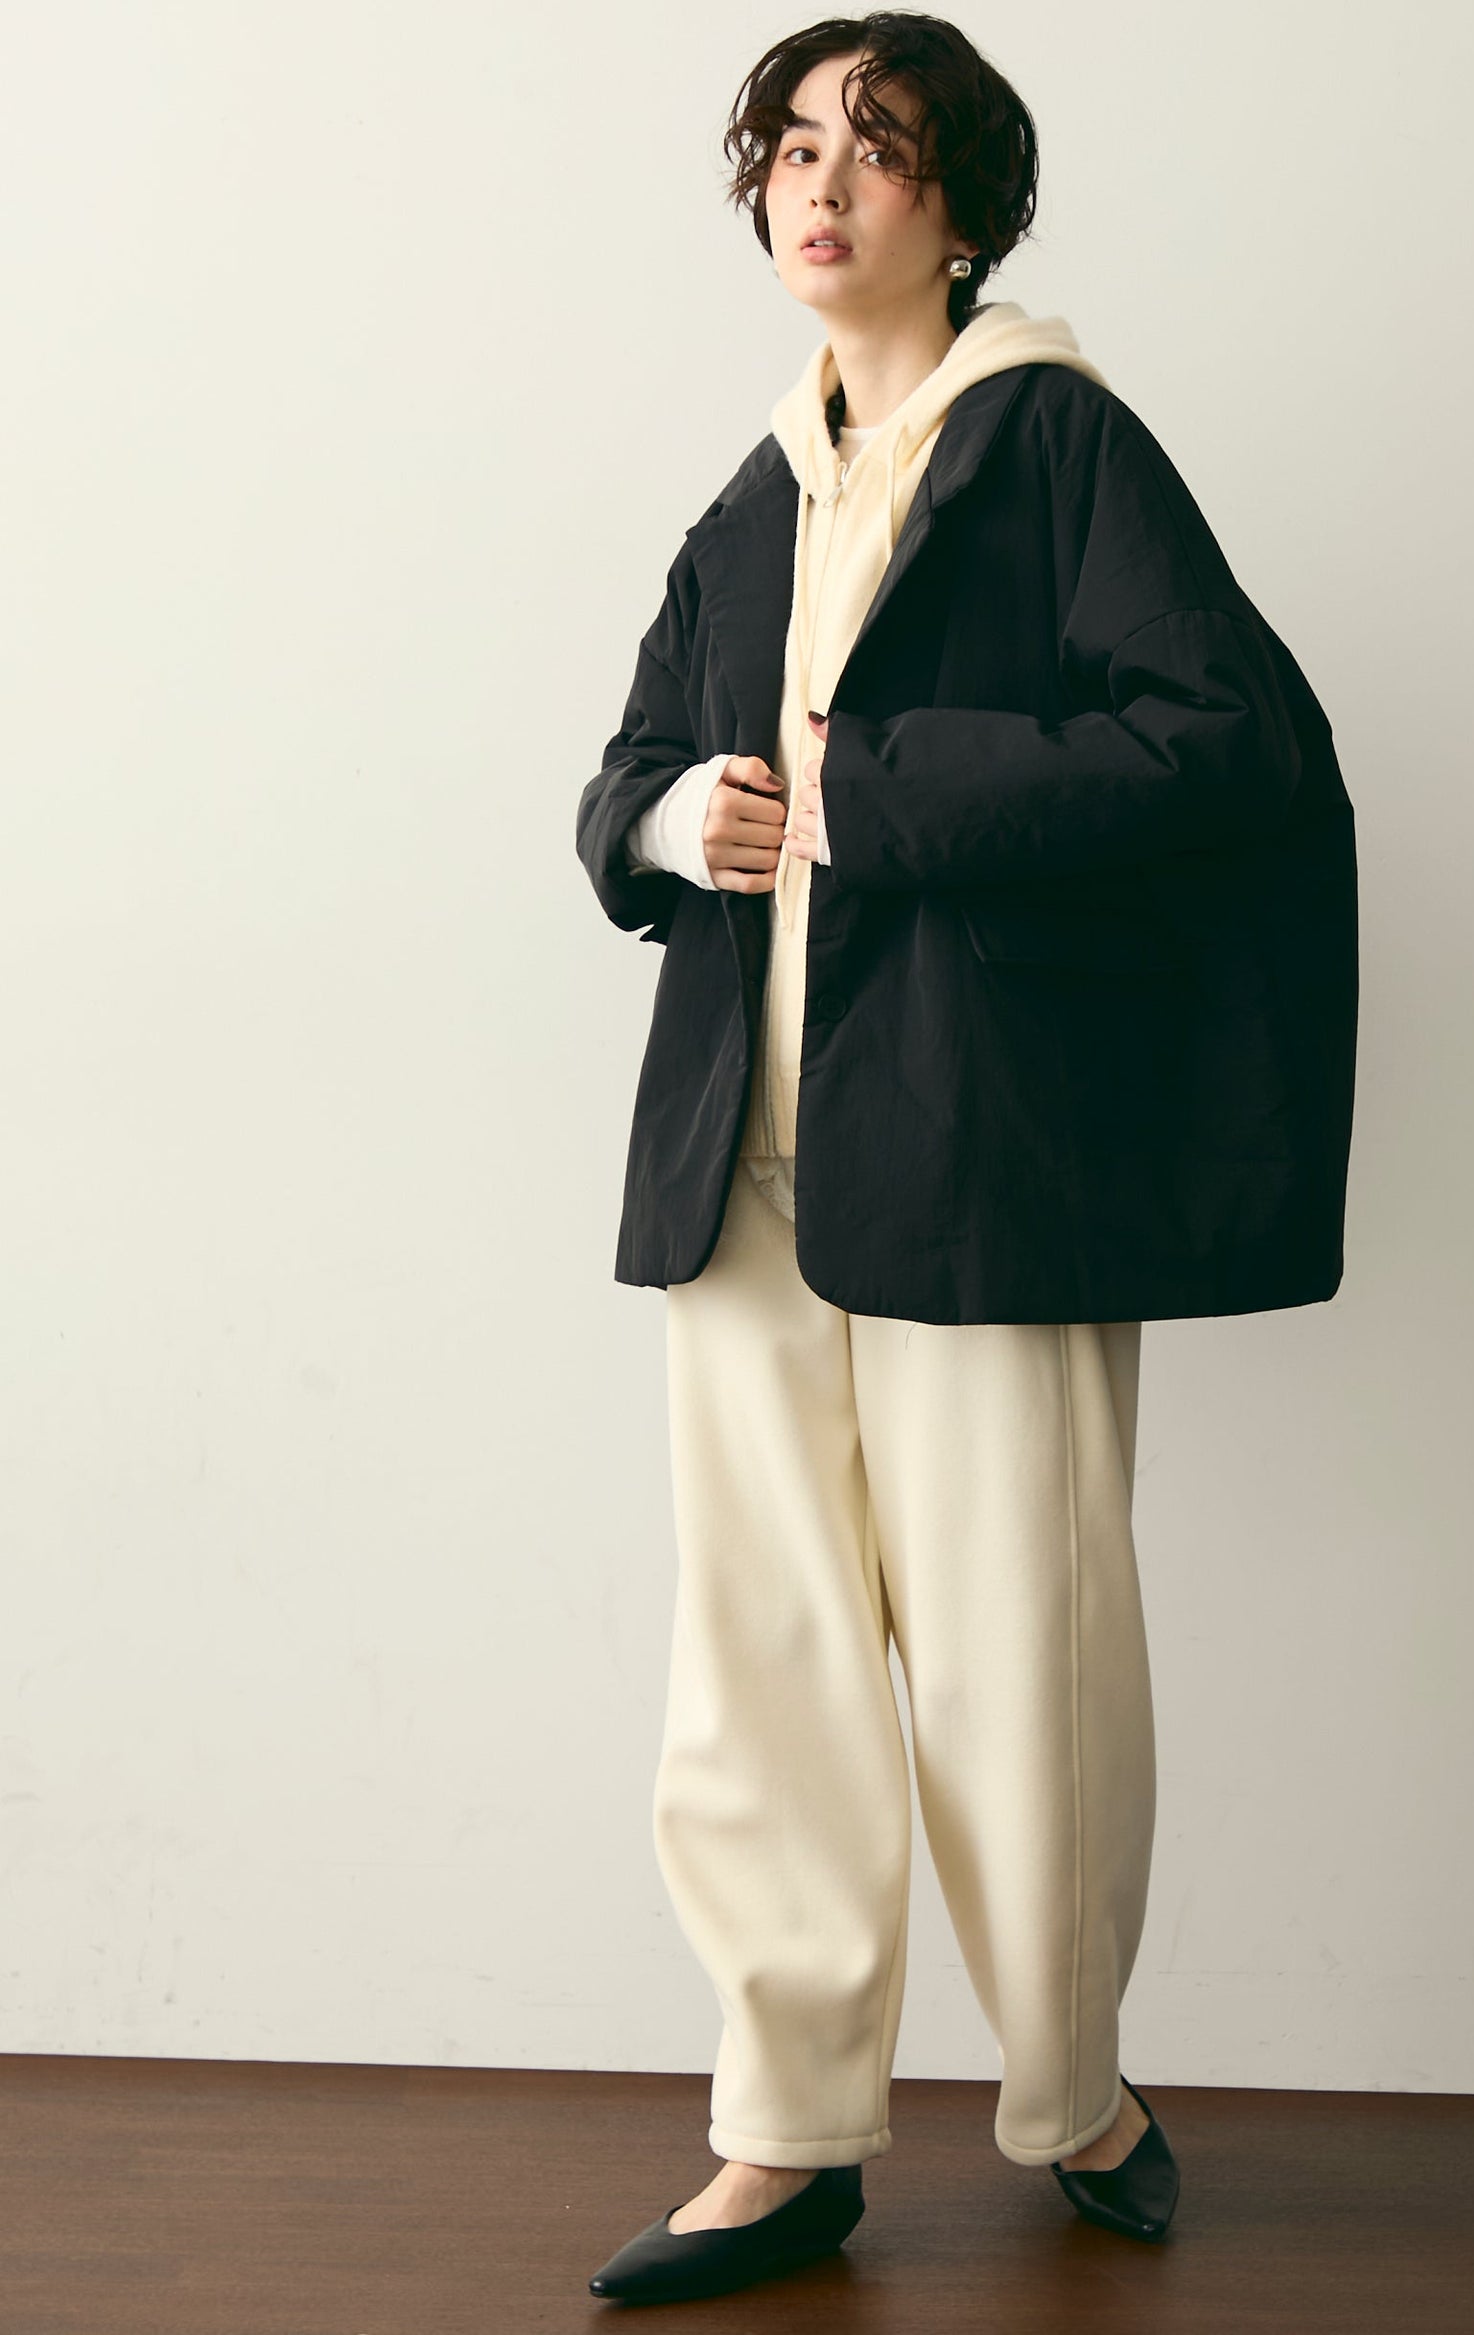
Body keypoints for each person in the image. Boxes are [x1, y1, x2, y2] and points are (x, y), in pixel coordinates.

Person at [574, 10, 1357, 2308]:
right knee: (760, 1669)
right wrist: (668, 820)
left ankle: (1072, 2087)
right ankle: (781, 2131)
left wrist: (880, 793)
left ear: (965, 206)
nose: (818, 186)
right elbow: (623, 768)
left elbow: (1220, 737)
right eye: (790, 146)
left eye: (876, 148)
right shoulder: (753, 492)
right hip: (744, 1174)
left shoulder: (1056, 445)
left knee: (1026, 1647)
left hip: (979, 1153)